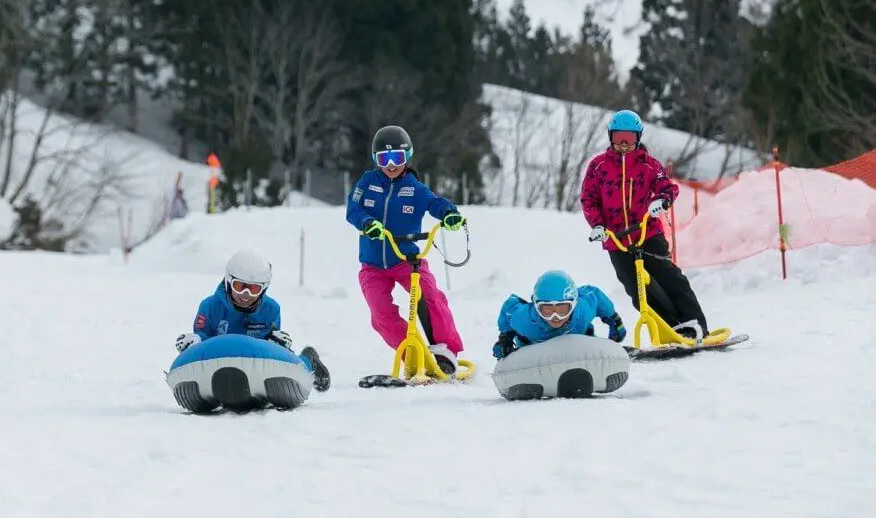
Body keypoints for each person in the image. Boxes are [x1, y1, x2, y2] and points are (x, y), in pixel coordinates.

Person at [345, 125, 467, 376]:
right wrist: (367, 223)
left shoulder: (414, 188)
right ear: (375, 159)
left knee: (430, 295)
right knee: (380, 313)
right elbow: (353, 209)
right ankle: (412, 354)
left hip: (406, 260)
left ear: (407, 157)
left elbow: (435, 202)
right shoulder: (367, 182)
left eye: (397, 158)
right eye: (384, 159)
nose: (391, 165)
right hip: (373, 264)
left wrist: (449, 214)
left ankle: (445, 352)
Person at [580, 109, 709, 340]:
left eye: (629, 139)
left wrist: (661, 201)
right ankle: (670, 329)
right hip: (616, 239)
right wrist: (598, 225)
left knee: (669, 278)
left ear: (638, 139)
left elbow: (667, 187)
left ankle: (694, 324)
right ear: (611, 137)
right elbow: (589, 199)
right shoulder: (598, 167)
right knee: (637, 290)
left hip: (646, 233)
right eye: (618, 138)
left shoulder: (648, 165)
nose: (623, 144)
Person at [173, 248, 331, 392]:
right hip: (218, 362)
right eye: (239, 286)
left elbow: (270, 350)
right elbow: (203, 339)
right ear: (228, 282)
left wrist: (277, 343)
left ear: (264, 289)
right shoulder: (210, 306)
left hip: (256, 363)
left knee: (293, 364)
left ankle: (309, 360)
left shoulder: (271, 309)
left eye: (254, 288)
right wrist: (197, 340)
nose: (246, 294)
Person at [492, 269, 626, 359]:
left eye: (562, 310)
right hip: (533, 350)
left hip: (579, 342)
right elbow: (510, 307)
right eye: (547, 310)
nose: (555, 317)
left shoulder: (583, 309)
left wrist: (614, 320)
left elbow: (594, 294)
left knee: (585, 330)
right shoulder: (524, 319)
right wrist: (505, 338)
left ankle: (590, 338)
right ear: (536, 306)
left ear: (574, 303)